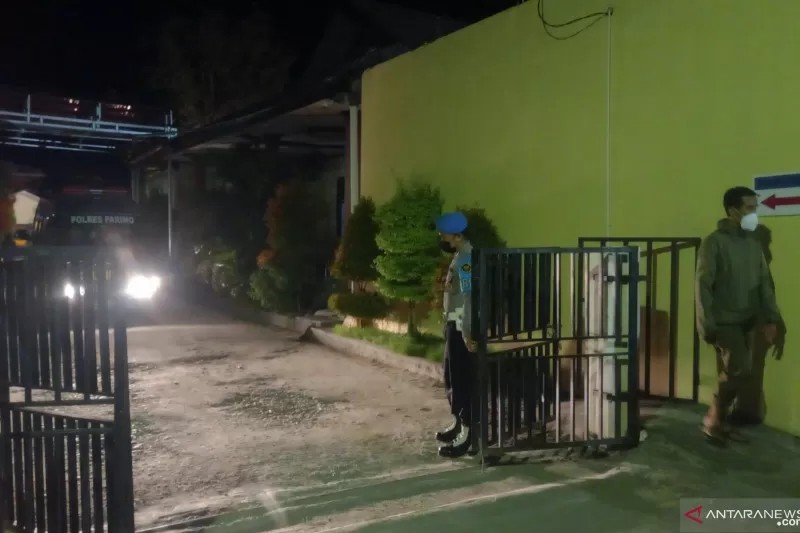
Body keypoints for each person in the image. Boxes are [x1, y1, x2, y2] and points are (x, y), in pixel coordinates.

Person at [695, 186, 780, 445]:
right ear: (733, 210)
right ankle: (713, 419)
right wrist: (706, 324)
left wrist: (771, 318)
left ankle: (718, 419)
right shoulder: (714, 243)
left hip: (748, 320)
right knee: (739, 370)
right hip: (724, 321)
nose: (754, 213)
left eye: (755, 208)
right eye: (749, 208)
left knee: (741, 372)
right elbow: (703, 286)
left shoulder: (753, 244)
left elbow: (765, 283)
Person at [729, 223, 787, 425]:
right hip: (745, 324)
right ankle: (743, 410)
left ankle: (745, 411)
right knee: (745, 369)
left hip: (751, 324)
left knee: (748, 368)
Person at [434, 211, 478, 459]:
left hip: (461, 327)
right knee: (451, 377)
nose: (442, 238)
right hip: (454, 325)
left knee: (461, 381)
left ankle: (468, 436)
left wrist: (466, 332)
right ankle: (459, 424)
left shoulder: (466, 259)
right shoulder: (459, 256)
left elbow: (468, 297)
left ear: (458, 236)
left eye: (446, 235)